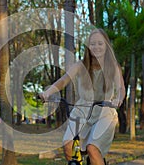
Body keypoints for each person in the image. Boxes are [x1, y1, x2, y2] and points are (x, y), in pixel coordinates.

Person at [39, 28, 125, 165]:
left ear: (106, 46)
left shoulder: (113, 66)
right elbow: (64, 80)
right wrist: (47, 93)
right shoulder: (80, 65)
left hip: (105, 111)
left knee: (92, 149)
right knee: (68, 145)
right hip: (82, 109)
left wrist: (118, 99)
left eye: (100, 43)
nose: (96, 47)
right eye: (92, 44)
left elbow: (121, 88)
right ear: (88, 47)